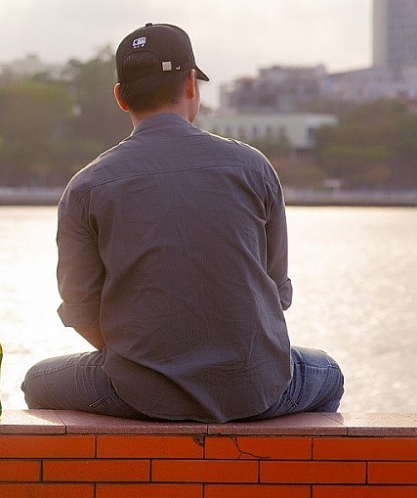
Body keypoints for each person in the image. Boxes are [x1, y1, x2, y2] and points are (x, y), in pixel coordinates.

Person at [20, 22, 344, 423]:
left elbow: (82, 308)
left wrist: (147, 363)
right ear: (192, 84)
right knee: (328, 372)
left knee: (36, 381)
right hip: (258, 388)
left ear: (121, 98)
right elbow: (276, 292)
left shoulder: (87, 185)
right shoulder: (253, 167)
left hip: (139, 394)